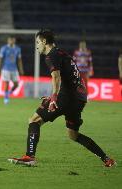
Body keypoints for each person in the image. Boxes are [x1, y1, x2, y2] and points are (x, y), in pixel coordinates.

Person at [8, 29, 116, 167]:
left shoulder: (51, 55)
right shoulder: (62, 53)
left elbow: (56, 76)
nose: (36, 46)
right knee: (73, 134)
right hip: (79, 99)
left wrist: (54, 97)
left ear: (44, 42)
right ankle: (106, 159)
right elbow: (70, 77)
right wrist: (57, 94)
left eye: (37, 42)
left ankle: (30, 156)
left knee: (34, 120)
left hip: (66, 97)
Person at [0, 36, 24, 104]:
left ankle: (8, 93)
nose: (11, 41)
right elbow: (0, 59)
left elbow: (19, 60)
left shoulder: (18, 49)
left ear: (14, 40)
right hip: (6, 69)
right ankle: (6, 98)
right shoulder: (4, 48)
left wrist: (21, 69)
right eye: (10, 40)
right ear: (8, 41)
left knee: (16, 85)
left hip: (14, 69)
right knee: (6, 83)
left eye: (12, 40)